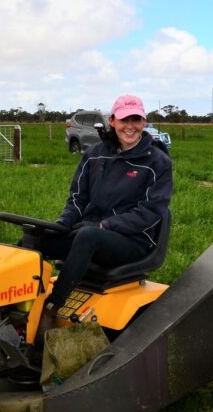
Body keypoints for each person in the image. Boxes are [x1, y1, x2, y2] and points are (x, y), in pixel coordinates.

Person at [33, 94, 173, 346]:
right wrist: (61, 226)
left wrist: (105, 225)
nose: (130, 126)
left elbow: (152, 211)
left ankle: (52, 307)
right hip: (91, 232)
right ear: (112, 121)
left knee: (88, 236)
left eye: (136, 119)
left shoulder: (157, 162)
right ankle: (21, 308)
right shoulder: (95, 154)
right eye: (124, 119)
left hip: (132, 241)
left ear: (144, 122)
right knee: (34, 238)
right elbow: (77, 197)